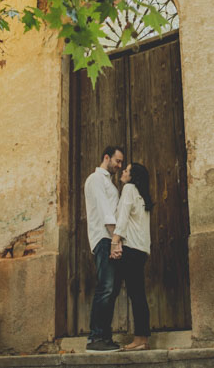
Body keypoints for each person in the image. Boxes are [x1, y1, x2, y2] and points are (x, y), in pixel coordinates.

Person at [84, 145, 124, 352]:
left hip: (111, 239)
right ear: (106, 157)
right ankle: (95, 338)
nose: (119, 165)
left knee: (113, 289)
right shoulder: (96, 179)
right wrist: (114, 241)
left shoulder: (109, 182)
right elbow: (105, 211)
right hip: (103, 239)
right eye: (117, 161)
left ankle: (105, 337)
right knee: (106, 288)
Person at [111, 162, 153, 351]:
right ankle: (142, 338)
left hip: (131, 249)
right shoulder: (143, 194)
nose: (124, 172)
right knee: (138, 295)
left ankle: (140, 339)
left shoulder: (129, 189)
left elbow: (123, 218)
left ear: (132, 176)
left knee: (131, 294)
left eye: (127, 170)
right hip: (141, 250)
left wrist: (114, 241)